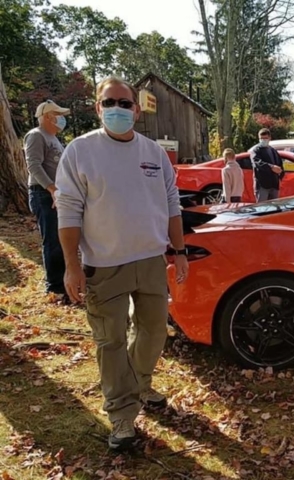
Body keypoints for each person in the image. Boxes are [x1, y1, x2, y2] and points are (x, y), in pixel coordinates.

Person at [55, 76, 189, 450]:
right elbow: (68, 212)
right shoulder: (80, 152)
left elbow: (171, 205)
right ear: (98, 108)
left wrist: (179, 251)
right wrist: (72, 265)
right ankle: (122, 416)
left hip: (149, 260)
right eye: (109, 102)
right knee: (110, 341)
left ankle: (140, 385)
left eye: (125, 103)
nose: (118, 109)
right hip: (104, 264)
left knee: (155, 332)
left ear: (137, 109)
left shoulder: (153, 153)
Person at [24, 100, 70, 300]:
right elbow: (33, 165)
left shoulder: (54, 138)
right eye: (57, 114)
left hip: (56, 194)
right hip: (43, 194)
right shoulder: (36, 135)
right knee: (52, 240)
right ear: (47, 117)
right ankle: (55, 286)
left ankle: (63, 280)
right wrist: (52, 189)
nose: (61, 118)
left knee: (62, 239)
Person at [249, 128, 284, 201]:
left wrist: (280, 173)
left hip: (274, 184)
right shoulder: (256, 150)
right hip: (262, 185)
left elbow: (280, 164)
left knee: (274, 209)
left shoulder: (273, 151)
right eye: (261, 138)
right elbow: (258, 163)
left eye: (265, 138)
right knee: (262, 208)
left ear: (269, 138)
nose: (263, 140)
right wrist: (271, 167)